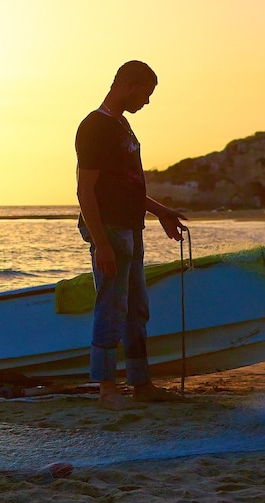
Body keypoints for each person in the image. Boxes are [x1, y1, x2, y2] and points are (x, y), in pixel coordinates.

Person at [75, 60, 188, 410]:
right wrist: (102, 243)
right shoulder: (94, 126)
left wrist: (161, 212)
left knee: (137, 308)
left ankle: (142, 384)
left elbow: (128, 185)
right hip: (109, 229)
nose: (147, 102)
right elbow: (85, 191)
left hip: (131, 226)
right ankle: (107, 390)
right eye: (146, 93)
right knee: (111, 305)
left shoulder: (123, 126)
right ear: (127, 85)